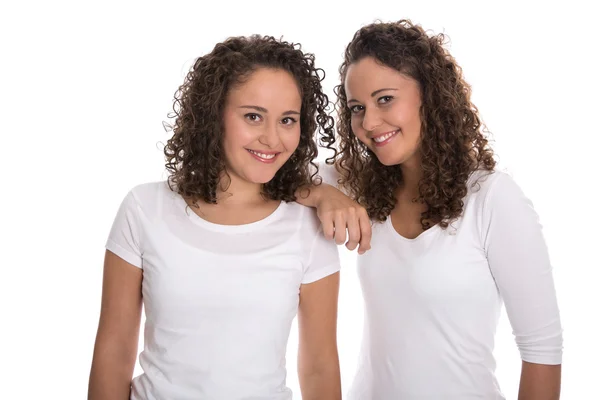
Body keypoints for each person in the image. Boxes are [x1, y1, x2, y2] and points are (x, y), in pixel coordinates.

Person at [299, 20, 563, 399]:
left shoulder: (491, 199)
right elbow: (272, 174)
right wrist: (323, 195)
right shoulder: (364, 185)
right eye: (358, 107)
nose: (370, 122)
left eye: (385, 99)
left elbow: (542, 350)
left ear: (431, 95)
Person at [88, 35, 342, 400]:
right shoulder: (145, 209)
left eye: (288, 119)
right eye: (253, 116)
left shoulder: (308, 226)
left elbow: (319, 365)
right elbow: (113, 352)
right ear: (214, 115)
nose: (272, 138)